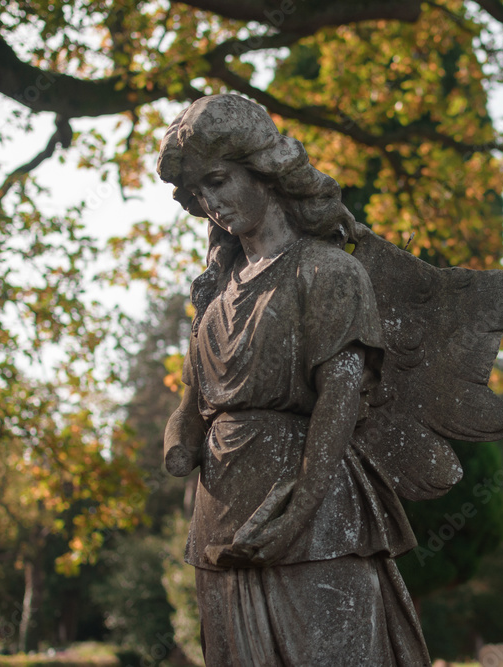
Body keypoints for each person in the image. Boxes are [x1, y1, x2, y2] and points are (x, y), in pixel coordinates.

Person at [157, 94, 430, 666]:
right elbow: (193, 402)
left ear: (265, 170)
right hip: (220, 520)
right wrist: (180, 437)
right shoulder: (214, 295)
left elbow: (340, 398)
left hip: (315, 517)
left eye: (218, 181)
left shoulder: (327, 272)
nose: (211, 204)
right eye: (198, 194)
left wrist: (299, 514)